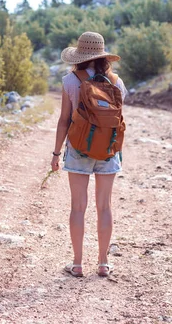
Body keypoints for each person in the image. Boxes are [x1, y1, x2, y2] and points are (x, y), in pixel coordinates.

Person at [51, 31, 127, 278]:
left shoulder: (70, 81)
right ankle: (103, 263)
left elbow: (64, 120)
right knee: (104, 206)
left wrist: (55, 153)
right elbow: (117, 119)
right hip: (107, 150)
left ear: (79, 56)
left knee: (78, 207)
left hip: (78, 148)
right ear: (104, 55)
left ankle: (77, 264)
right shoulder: (116, 81)